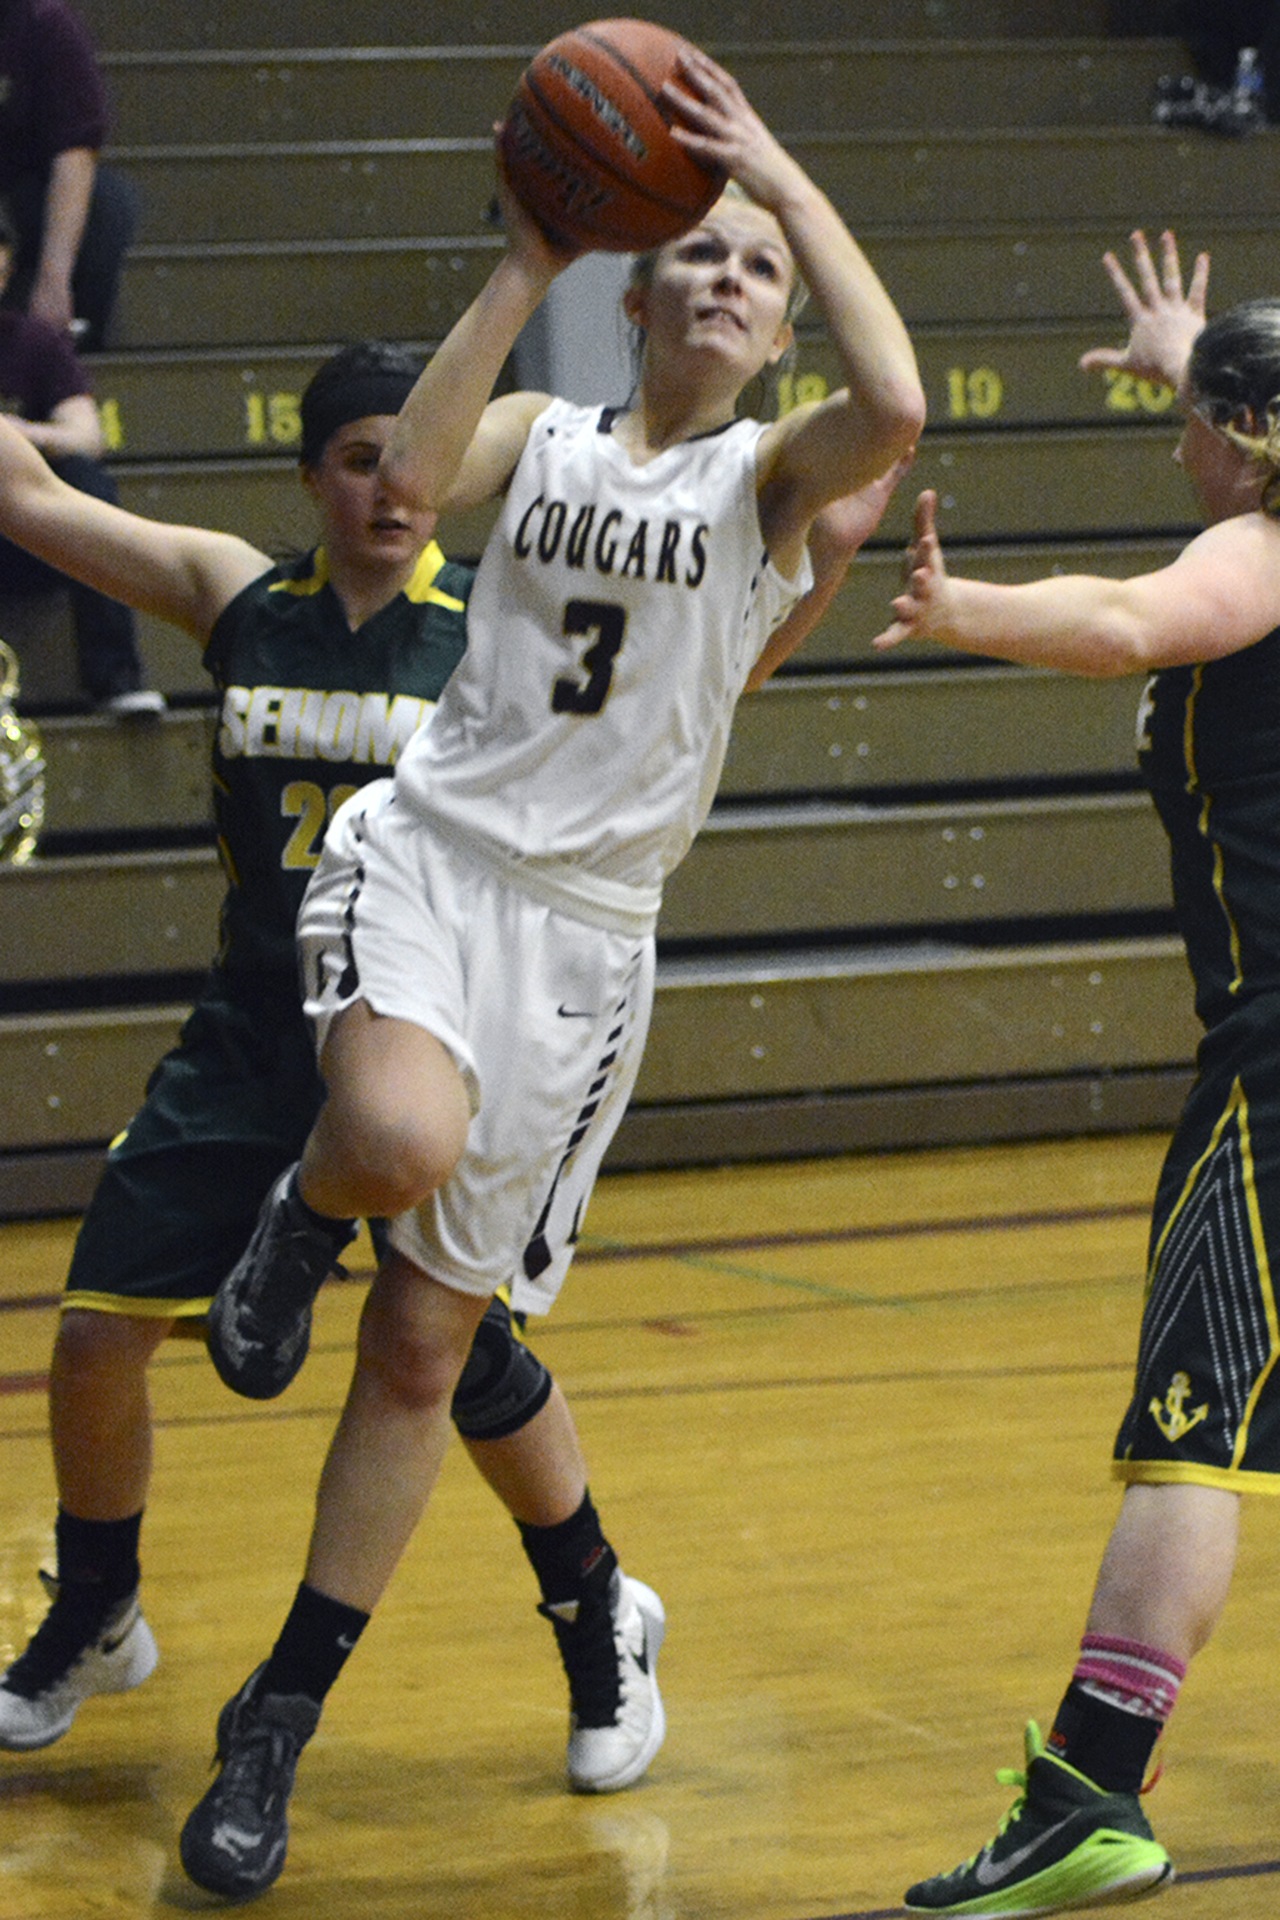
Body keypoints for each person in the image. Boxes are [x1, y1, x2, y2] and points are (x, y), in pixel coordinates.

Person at [179, 47, 924, 1903]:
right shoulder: (550, 438)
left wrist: (782, 173)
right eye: (709, 258)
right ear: (647, 281)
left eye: (764, 274)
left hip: (585, 948)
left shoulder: (773, 486)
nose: (738, 284)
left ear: (772, 331)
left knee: (430, 1344)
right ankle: (300, 1212)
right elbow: (411, 486)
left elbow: (895, 399)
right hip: (435, 857)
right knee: (392, 1130)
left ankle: (280, 1717)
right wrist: (529, 260)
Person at [0, 341, 672, 1810]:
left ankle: (597, 1611)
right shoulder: (238, 597)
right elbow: (27, 491)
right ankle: (97, 1607)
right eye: (356, 459)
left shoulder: (498, 629)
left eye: (404, 456)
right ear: (310, 475)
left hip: (431, 1026)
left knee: (457, 1362)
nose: (389, 486)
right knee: (98, 1328)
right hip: (254, 1028)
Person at [876, 229, 1280, 1916]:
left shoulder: (1261, 544)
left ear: (1248, 440)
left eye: (1202, 417)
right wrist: (1194, 343)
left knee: (1189, 1432)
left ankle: (1093, 1796)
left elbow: (1126, 621)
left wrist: (960, 608)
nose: (1177, 434)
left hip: (1279, 1068)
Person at [0, 194, 161, 714]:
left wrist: (14, 432)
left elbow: (86, 434)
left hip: (26, 532)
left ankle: (116, 677)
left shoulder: (32, 342)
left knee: (87, 480)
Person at [0, 0, 139, 350]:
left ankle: (70, 357)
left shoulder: (43, 21)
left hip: (17, 199)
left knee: (106, 206)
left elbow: (76, 149)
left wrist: (53, 280)